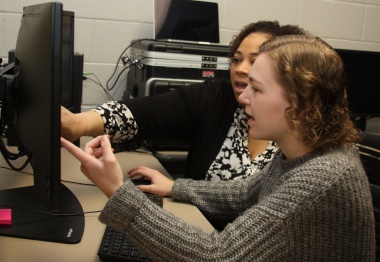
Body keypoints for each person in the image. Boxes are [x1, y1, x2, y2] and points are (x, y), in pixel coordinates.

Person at [61, 35, 375, 261]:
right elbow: (243, 194)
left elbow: (217, 257)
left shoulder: (320, 180)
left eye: (257, 88)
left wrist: (117, 191)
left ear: (300, 104)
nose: (245, 97)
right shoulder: (303, 147)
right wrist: (175, 187)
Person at [61, 21, 307, 181]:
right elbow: (144, 113)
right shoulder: (216, 98)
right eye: (236, 59)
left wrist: (117, 190)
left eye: (254, 62)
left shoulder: (298, 142)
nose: (241, 69)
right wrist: (78, 124)